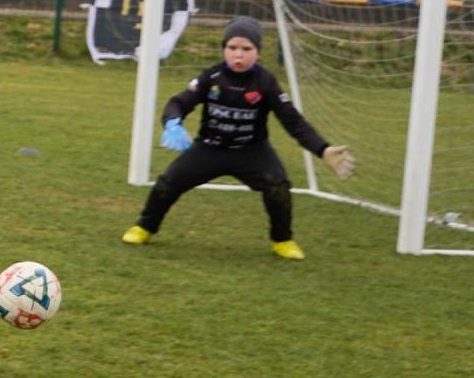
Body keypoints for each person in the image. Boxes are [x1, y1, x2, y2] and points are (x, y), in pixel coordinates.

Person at [121, 16, 355, 260]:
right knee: (168, 182)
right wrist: (172, 123)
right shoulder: (211, 77)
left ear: (258, 52)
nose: (238, 56)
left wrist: (323, 150)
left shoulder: (266, 82)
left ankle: (282, 240)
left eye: (246, 49)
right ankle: (144, 227)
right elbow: (178, 103)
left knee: (278, 186)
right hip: (210, 148)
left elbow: (293, 122)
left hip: (251, 150)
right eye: (232, 48)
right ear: (224, 49)